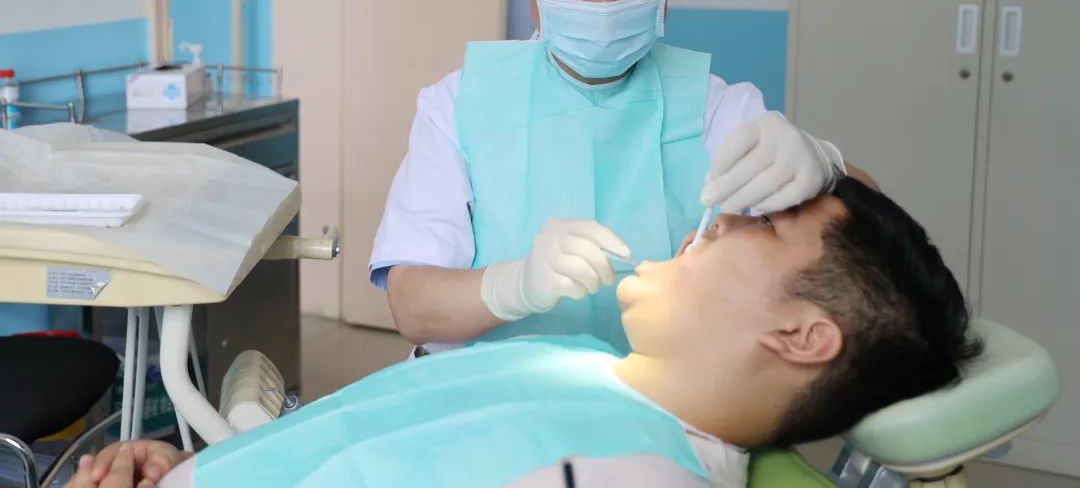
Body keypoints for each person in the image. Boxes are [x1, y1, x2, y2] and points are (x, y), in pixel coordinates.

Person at [72, 179, 979, 488]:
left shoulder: (635, 475)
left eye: (767, 226)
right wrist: (193, 466)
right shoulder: (577, 359)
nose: (723, 216)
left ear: (804, 336)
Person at [372, 0, 875, 354]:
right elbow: (412, 306)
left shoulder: (714, 107)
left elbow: (875, 234)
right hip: (485, 387)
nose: (606, 4)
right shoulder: (459, 106)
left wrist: (826, 166)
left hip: (658, 390)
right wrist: (513, 285)